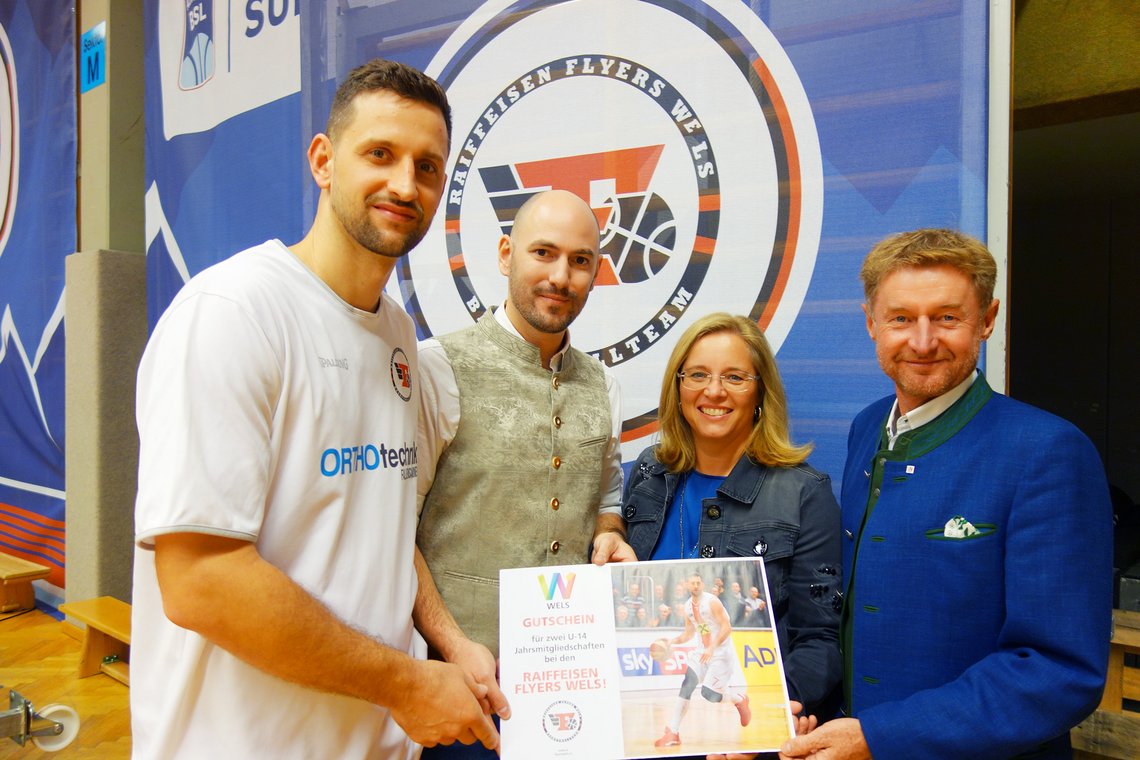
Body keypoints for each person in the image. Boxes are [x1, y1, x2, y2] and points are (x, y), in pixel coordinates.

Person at [131, 59, 505, 759]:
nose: (405, 183)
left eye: (427, 167)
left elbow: (380, 528)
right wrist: (406, 685)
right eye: (380, 154)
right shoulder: (233, 313)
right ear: (323, 161)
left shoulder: (395, 331)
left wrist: (449, 645)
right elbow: (200, 580)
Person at [782, 229, 1112, 760]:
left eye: (947, 317)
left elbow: (1058, 670)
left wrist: (879, 736)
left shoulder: (1047, 452)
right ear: (870, 322)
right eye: (900, 318)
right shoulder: (867, 428)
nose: (921, 340)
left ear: (987, 319)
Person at [415, 189, 636, 758]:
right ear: (506, 253)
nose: (561, 276)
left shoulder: (603, 385)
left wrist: (610, 529)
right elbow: (393, 531)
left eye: (580, 261)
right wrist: (454, 644)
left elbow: (606, 488)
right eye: (544, 253)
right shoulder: (437, 367)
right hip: (457, 690)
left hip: (570, 692)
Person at [622, 312, 843, 749]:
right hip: (643, 742)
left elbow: (819, 641)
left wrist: (779, 712)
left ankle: (739, 702)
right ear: (678, 388)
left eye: (735, 377)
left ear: (760, 391)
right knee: (689, 693)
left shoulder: (804, 492)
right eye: (698, 375)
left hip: (749, 736)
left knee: (707, 693)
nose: (714, 391)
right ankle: (673, 731)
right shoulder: (649, 472)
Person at [653, 572, 753, 747]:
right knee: (687, 684)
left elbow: (727, 627)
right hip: (701, 652)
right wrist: (672, 642)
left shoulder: (712, 602)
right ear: (687, 585)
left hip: (720, 654)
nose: (696, 586)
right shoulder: (687, 607)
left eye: (699, 582)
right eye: (692, 583)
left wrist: (712, 647)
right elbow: (688, 634)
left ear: (702, 584)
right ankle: (673, 732)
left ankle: (739, 699)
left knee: (710, 695)